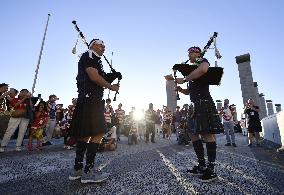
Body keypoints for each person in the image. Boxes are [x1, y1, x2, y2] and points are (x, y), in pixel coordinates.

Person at [68, 38, 119, 184]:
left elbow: (99, 77)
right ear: (92, 46)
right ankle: (88, 172)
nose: (103, 48)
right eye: (100, 45)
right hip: (91, 99)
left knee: (84, 133)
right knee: (99, 131)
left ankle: (77, 170)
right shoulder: (89, 55)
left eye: (104, 46)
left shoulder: (95, 59)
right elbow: (94, 76)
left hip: (87, 98)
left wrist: (113, 77)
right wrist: (111, 87)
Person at [176, 46, 223, 182]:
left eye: (190, 53)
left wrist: (184, 79)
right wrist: (180, 88)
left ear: (197, 53)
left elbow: (204, 69)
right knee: (193, 134)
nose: (189, 55)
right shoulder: (192, 72)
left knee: (207, 134)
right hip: (194, 104)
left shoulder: (203, 61)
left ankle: (212, 169)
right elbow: (189, 91)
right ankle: (202, 165)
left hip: (204, 102)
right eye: (189, 53)